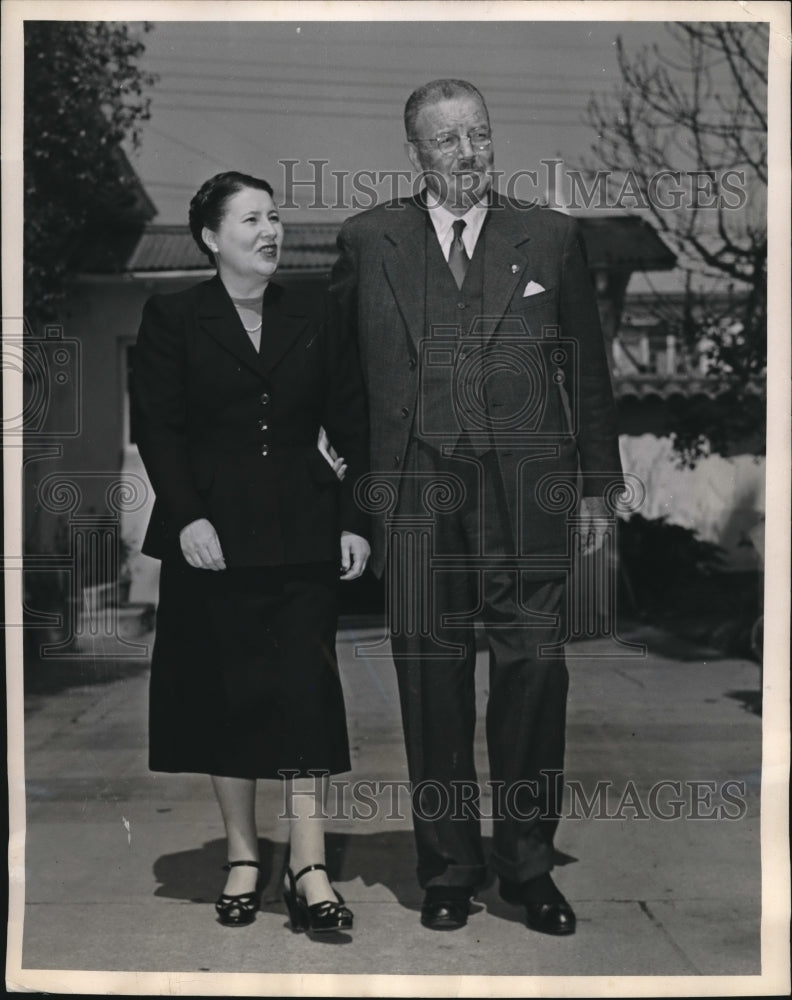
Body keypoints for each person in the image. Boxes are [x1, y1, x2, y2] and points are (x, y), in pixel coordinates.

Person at [331, 79, 622, 934]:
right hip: (418, 495)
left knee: (534, 676)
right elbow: (342, 381)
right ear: (416, 153)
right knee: (431, 685)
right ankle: (449, 867)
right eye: (448, 140)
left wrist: (599, 486)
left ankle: (528, 866)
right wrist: (359, 494)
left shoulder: (553, 238)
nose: (468, 152)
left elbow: (589, 373)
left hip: (526, 497)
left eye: (480, 135)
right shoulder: (367, 240)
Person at [132, 171, 369, 934]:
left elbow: (352, 419)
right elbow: (160, 431)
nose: (269, 231)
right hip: (212, 543)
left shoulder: (318, 312)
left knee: (304, 695)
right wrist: (188, 518)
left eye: (275, 217)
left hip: (303, 535)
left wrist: (355, 520)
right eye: (250, 220)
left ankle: (309, 865)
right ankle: (242, 855)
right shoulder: (172, 318)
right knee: (224, 697)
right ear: (210, 237)